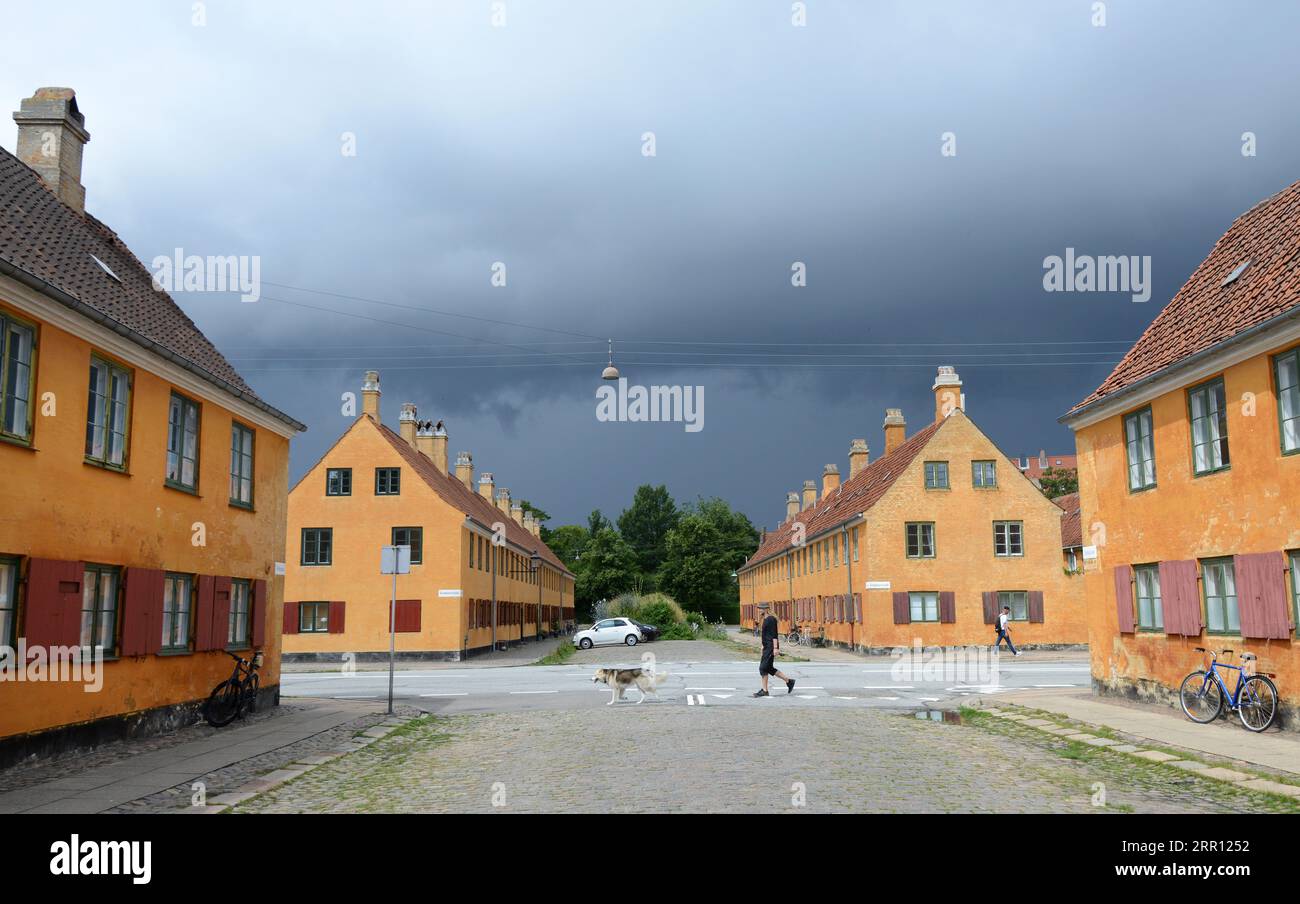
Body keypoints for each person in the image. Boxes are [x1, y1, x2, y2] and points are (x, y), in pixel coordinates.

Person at [753, 602, 795, 697]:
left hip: (771, 647)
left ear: (766, 609)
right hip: (767, 646)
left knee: (763, 668)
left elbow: (774, 635)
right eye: (759, 608)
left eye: (761, 608)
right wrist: (762, 645)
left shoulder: (771, 619)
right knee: (768, 668)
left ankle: (765, 691)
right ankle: (789, 681)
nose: (759, 610)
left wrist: (775, 648)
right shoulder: (765, 619)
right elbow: (765, 635)